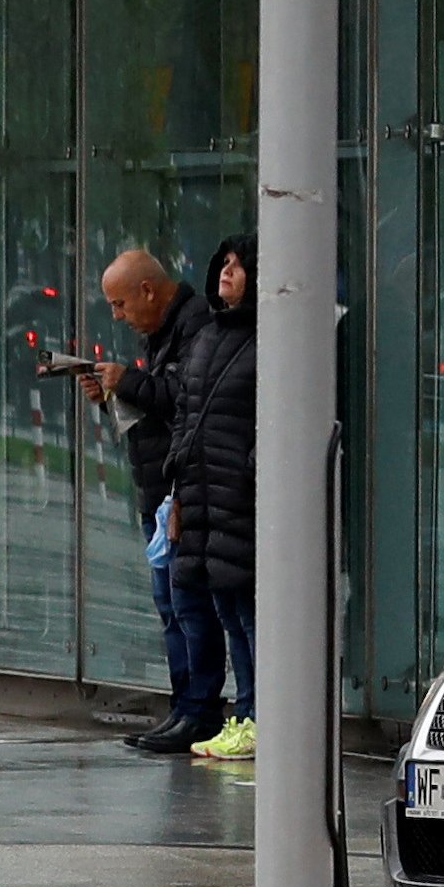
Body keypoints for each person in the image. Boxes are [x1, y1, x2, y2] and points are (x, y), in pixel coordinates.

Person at [82, 249, 223, 755]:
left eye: (120, 304)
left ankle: (200, 709)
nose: (117, 316)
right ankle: (184, 704)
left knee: (188, 603)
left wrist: (131, 382)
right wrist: (112, 394)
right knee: (170, 603)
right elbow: (158, 404)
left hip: (179, 489)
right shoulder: (162, 332)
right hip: (158, 489)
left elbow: (186, 400)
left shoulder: (195, 324)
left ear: (148, 291)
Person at [137, 236, 262, 762]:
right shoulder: (210, 338)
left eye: (238, 266)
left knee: (252, 614)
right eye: (223, 264)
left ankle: (259, 715)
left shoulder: (270, 339)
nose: (227, 273)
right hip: (202, 496)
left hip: (240, 499)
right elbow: (187, 416)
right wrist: (178, 490)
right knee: (227, 609)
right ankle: (242, 714)